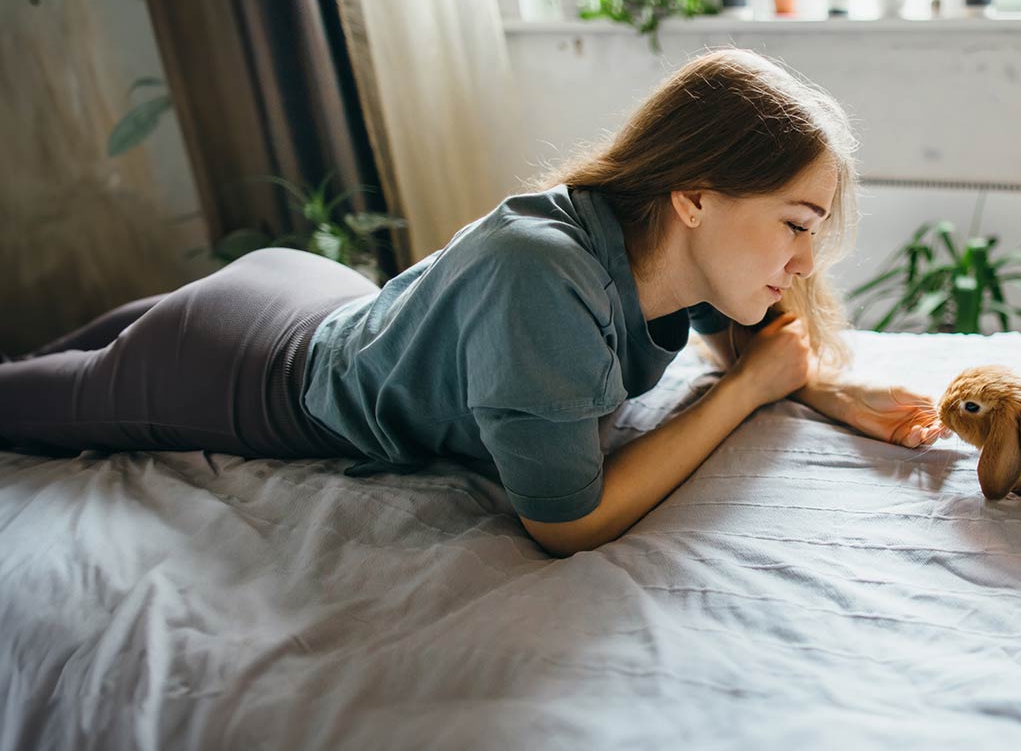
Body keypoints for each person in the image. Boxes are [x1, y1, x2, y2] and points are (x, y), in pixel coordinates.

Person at [0, 49, 944, 556]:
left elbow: (756, 337)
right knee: (18, 397)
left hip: (311, 294)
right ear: (695, 196)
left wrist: (816, 389)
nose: (806, 258)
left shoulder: (658, 248)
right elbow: (566, 524)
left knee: (58, 360)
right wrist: (744, 396)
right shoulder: (544, 276)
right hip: (240, 367)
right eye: (795, 224)